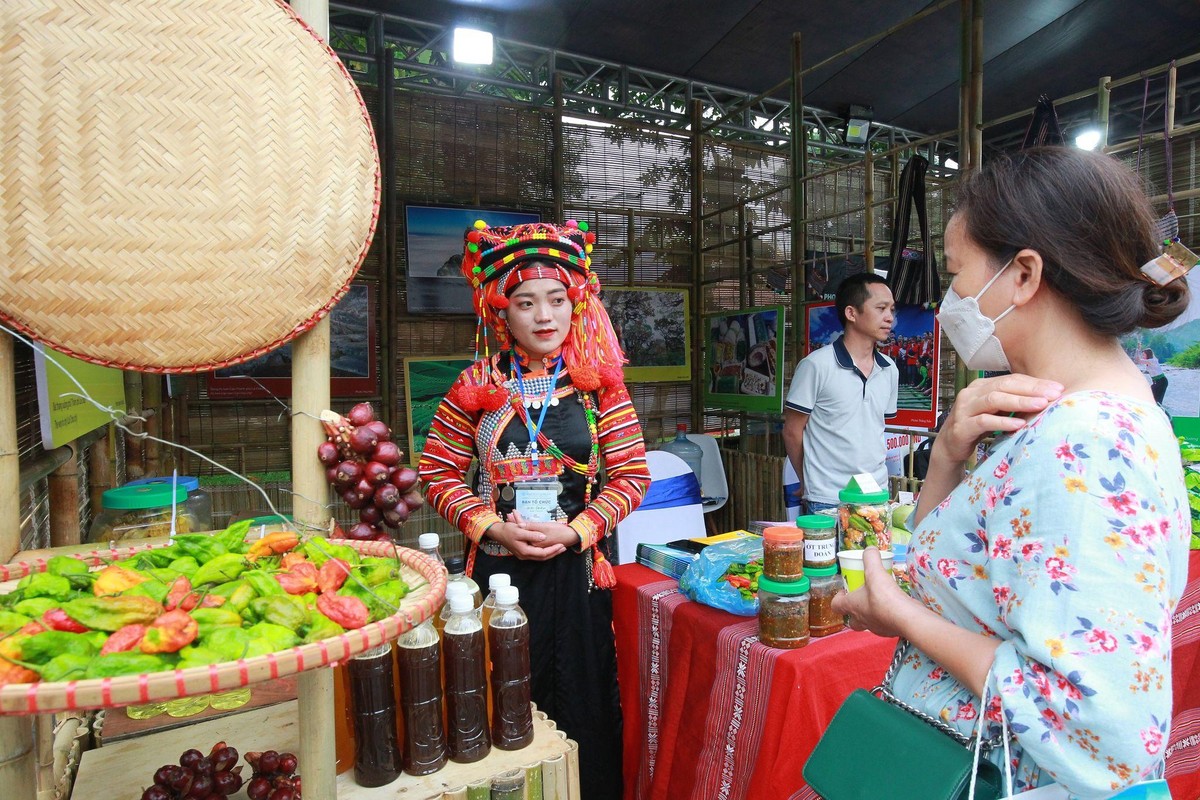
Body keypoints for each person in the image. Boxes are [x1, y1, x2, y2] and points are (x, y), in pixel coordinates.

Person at [833, 147, 1192, 797]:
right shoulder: (1067, 417)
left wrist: (900, 615)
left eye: (956, 274)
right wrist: (949, 454)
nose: (949, 301)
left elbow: (1091, 724)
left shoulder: (1086, 446)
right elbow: (953, 579)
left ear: (1024, 274)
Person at [418, 220, 650, 800]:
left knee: (585, 696)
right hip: (500, 574)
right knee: (500, 697)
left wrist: (576, 532)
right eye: (526, 303)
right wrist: (492, 526)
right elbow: (436, 473)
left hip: (578, 574)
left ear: (576, 304)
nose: (545, 316)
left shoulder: (600, 386)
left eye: (556, 300)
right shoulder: (475, 384)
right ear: (502, 313)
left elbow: (631, 476)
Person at [783, 272, 898, 513]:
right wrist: (808, 481)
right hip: (827, 498)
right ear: (851, 313)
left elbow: (877, 429)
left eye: (891, 310)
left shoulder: (889, 369)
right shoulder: (816, 365)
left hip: (875, 494)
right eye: (881, 308)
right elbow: (792, 431)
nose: (889, 317)